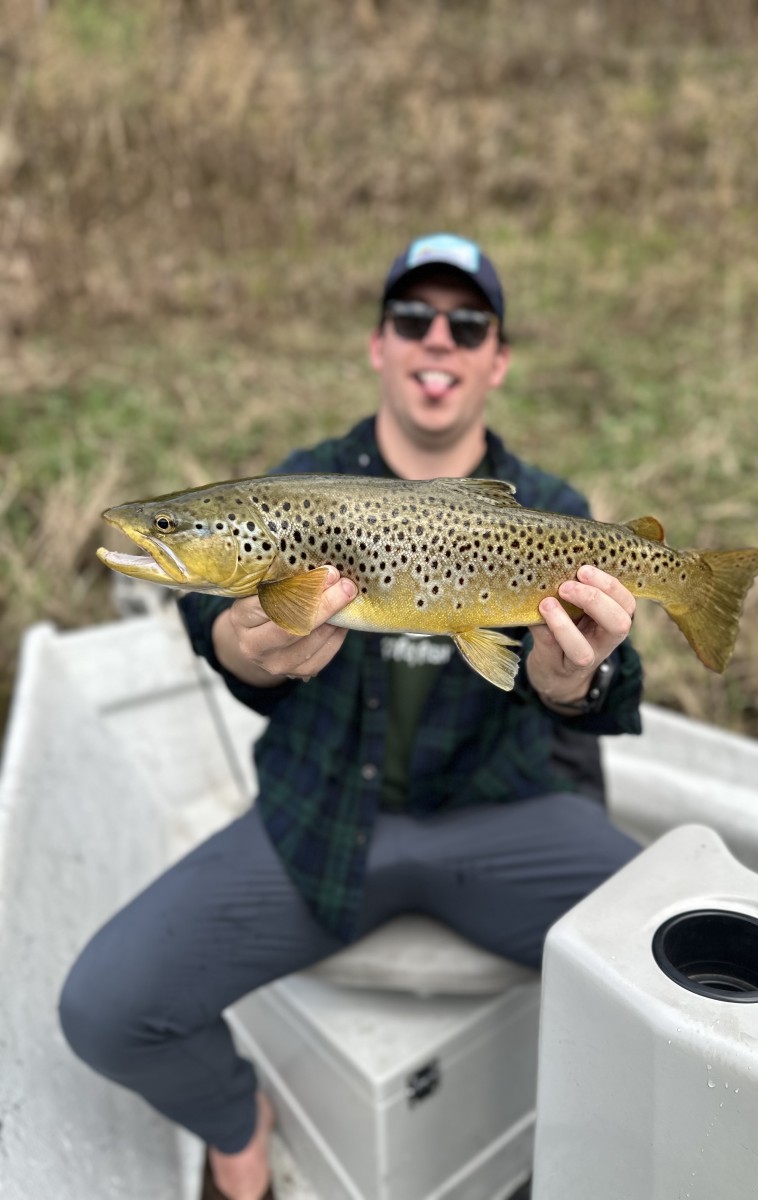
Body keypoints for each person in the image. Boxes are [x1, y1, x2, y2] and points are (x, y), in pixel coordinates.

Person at [59, 233, 644, 1200]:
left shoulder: (548, 510)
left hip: (505, 818)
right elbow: (213, 616)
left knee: (690, 968)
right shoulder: (301, 484)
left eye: (467, 324)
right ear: (380, 345)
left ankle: (587, 1157)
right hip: (321, 821)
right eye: (414, 318)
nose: (438, 341)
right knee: (105, 1008)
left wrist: (570, 678)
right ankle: (239, 1128)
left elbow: (612, 692)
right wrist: (242, 648)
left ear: (496, 358)